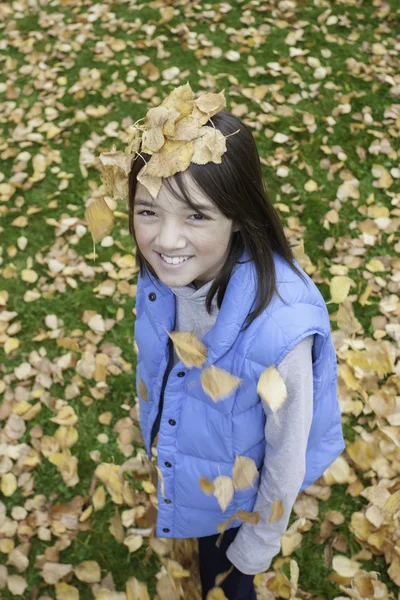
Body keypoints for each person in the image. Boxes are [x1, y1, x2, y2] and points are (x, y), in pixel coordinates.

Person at [126, 84, 346, 600]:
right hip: (200, 461)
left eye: (196, 215)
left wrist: (255, 545)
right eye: (147, 211)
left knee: (222, 583)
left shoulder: (278, 333)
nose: (166, 240)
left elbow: (287, 455)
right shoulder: (165, 277)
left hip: (243, 501)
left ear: (238, 216)